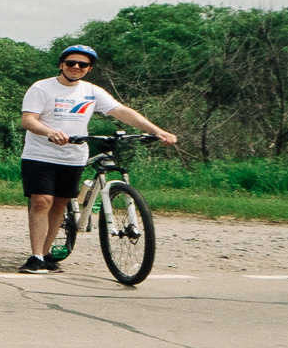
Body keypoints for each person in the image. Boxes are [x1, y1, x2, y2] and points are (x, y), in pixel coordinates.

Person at [19, 44, 178, 271]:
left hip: (73, 156)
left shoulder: (91, 91)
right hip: (40, 154)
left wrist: (157, 131)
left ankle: (45, 254)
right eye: (71, 63)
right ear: (61, 64)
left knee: (60, 204)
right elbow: (28, 120)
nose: (76, 67)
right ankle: (35, 256)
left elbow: (122, 111)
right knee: (42, 201)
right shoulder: (41, 88)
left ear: (89, 69)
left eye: (82, 64)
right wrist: (50, 132)